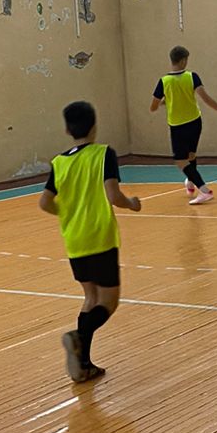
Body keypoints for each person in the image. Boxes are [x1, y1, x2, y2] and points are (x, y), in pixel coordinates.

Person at [39, 100, 141, 383]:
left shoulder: (59, 162)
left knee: (90, 298)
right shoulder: (104, 154)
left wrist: (68, 214)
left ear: (66, 130)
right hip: (100, 237)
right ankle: (78, 336)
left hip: (74, 240)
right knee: (109, 301)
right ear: (95, 126)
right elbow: (113, 196)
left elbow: (44, 203)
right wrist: (132, 204)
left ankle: (83, 365)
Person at [149, 46, 217, 205]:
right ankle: (190, 181)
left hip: (178, 126)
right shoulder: (192, 77)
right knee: (190, 156)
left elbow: (153, 107)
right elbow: (206, 99)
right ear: (183, 61)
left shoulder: (164, 81)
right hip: (195, 122)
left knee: (180, 161)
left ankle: (205, 191)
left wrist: (165, 101)